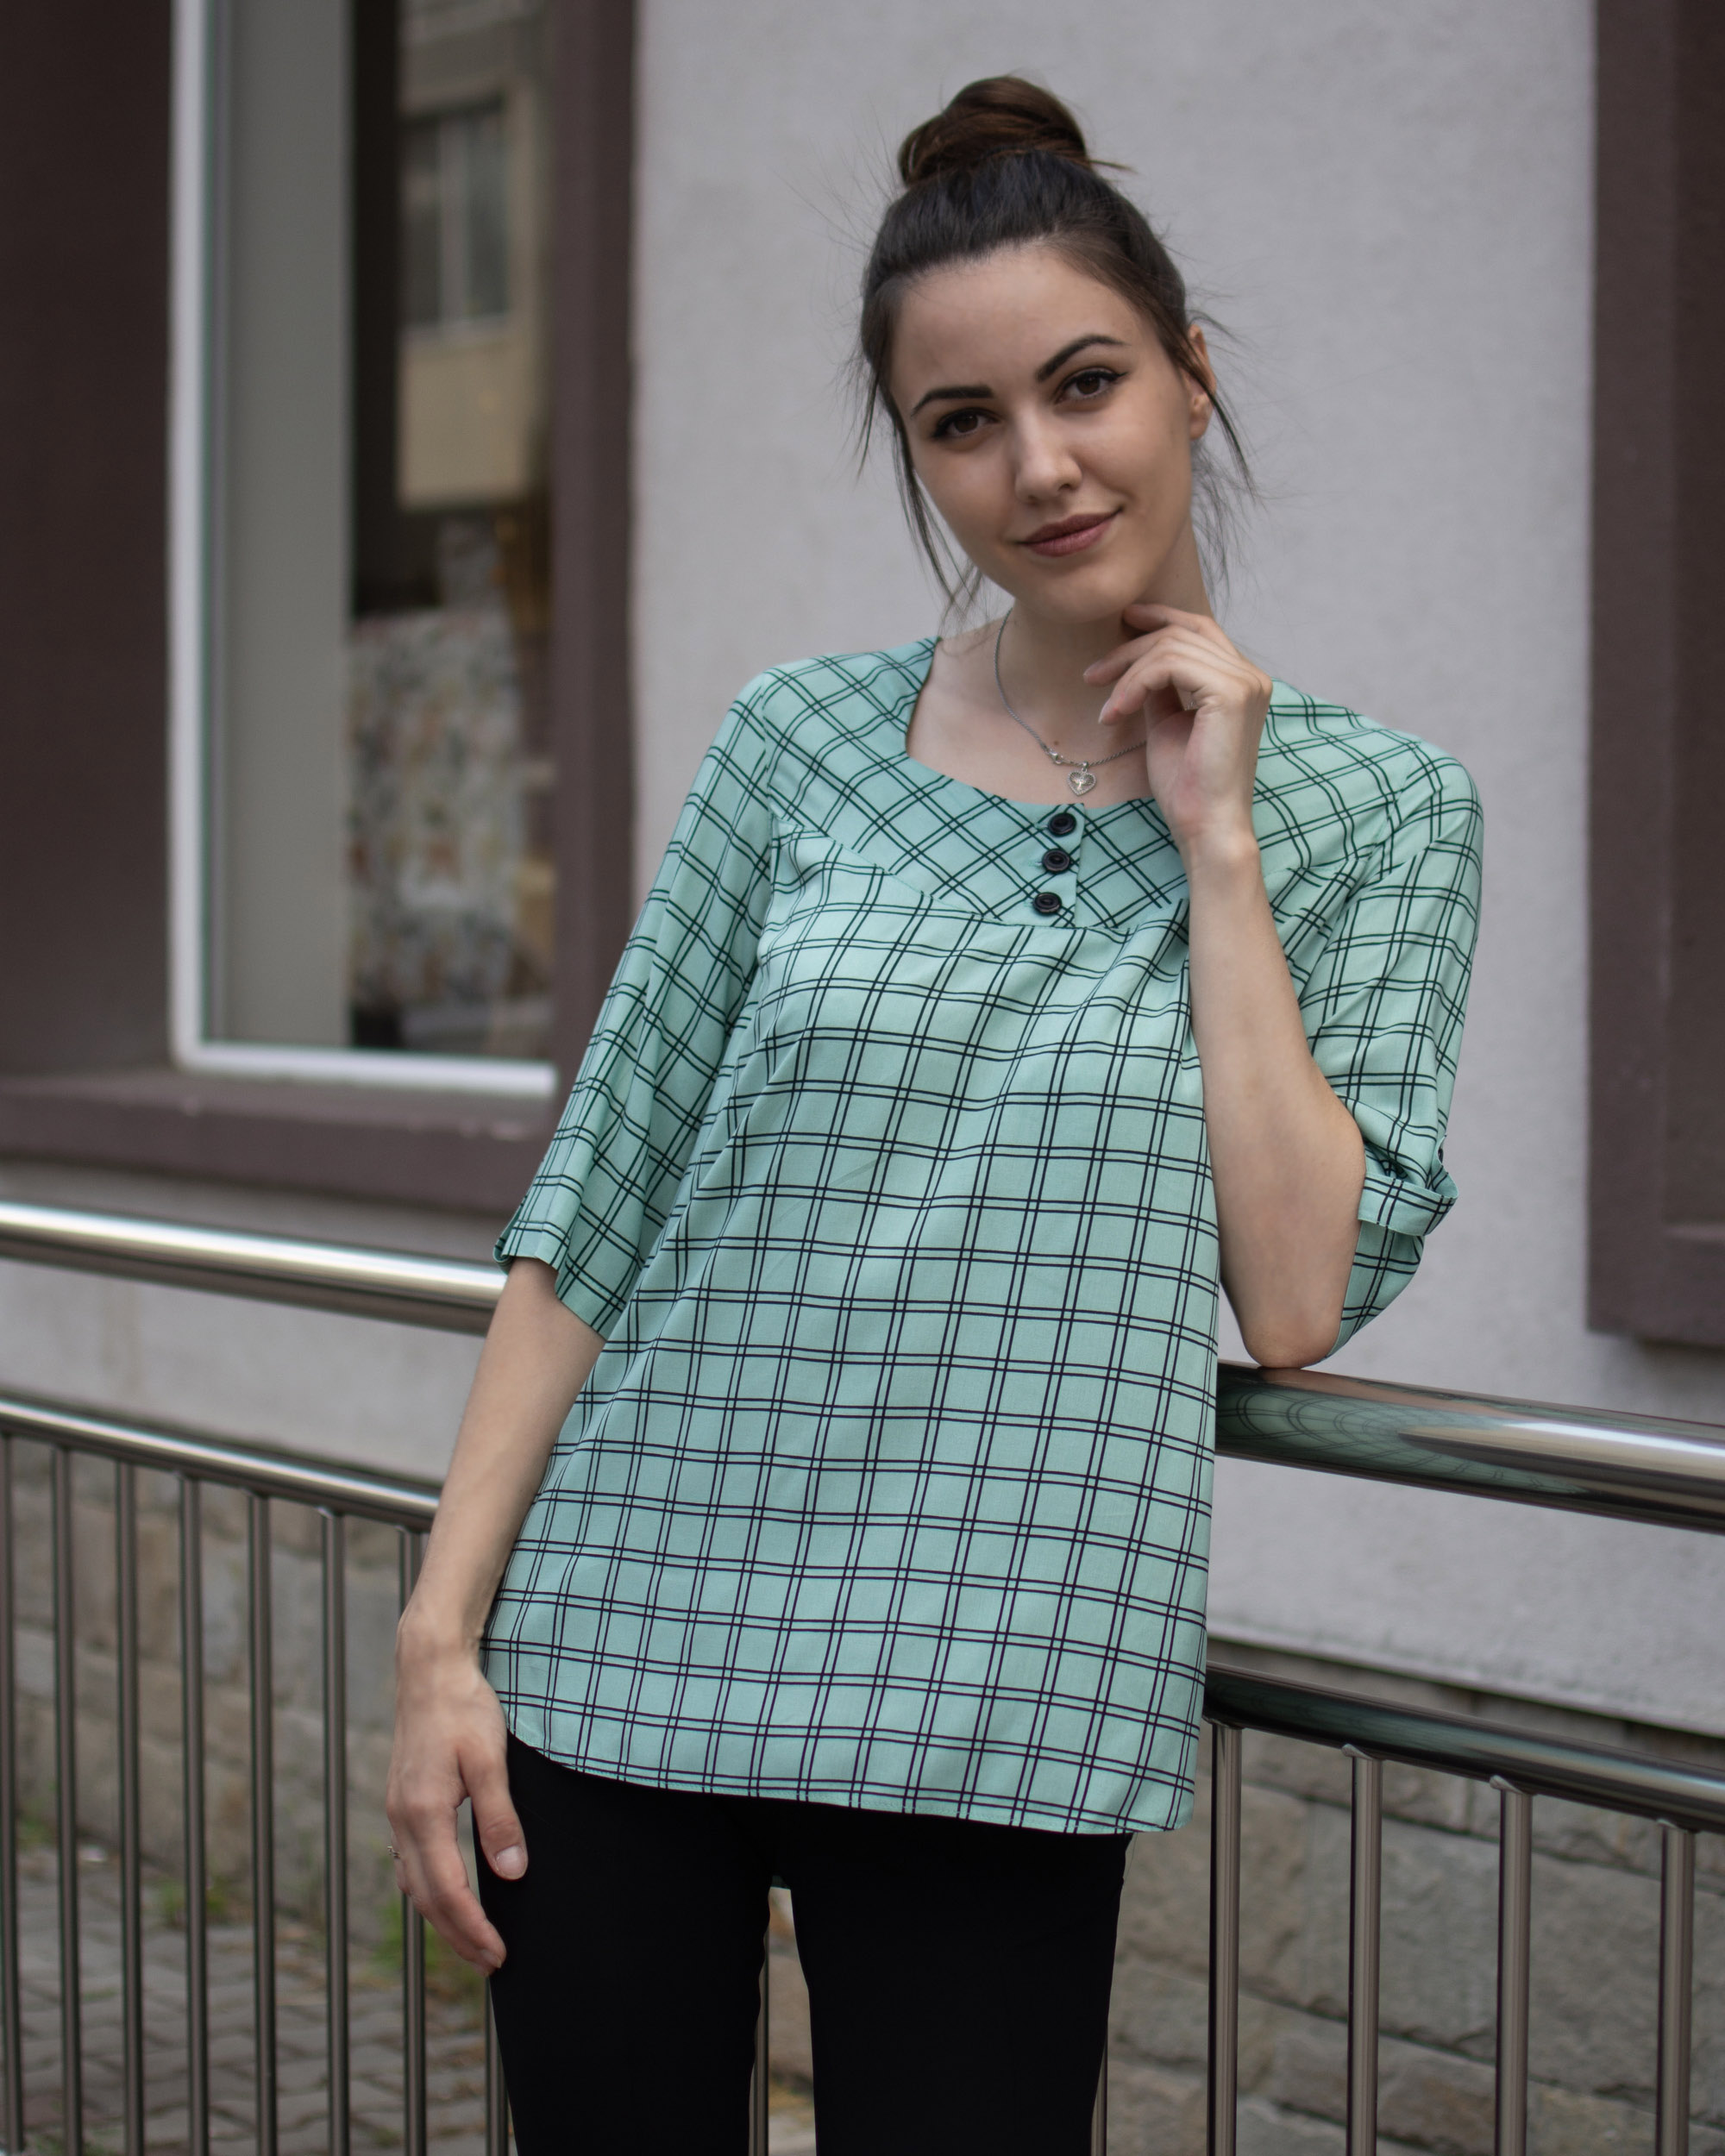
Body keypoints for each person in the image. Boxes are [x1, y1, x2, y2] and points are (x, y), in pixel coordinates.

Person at [386, 75, 1482, 2156]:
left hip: (1003, 1698)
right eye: (961, 421)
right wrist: (440, 1640)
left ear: (1189, 376)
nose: (1038, 465)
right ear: (915, 451)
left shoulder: (1385, 811)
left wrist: (1219, 844)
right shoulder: (798, 736)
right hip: (618, 1645)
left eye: (1087, 384)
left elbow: (1296, 1294)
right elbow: (600, 1189)